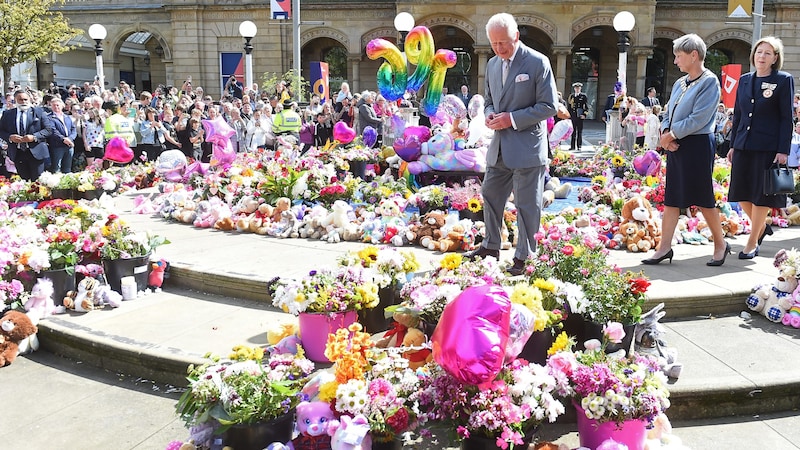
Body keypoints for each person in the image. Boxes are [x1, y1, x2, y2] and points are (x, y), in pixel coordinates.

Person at [465, 13, 558, 276]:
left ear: (516, 36)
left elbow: (549, 106)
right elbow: (489, 98)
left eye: (503, 42)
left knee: (527, 204)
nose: (499, 48)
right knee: (490, 194)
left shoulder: (538, 62)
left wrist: (512, 119)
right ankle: (491, 245)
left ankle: (525, 257)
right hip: (500, 146)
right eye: (494, 43)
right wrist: (491, 114)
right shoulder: (493, 64)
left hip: (528, 146)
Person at [642, 33, 728, 267]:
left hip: (698, 145)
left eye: (678, 56)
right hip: (676, 144)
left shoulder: (709, 81)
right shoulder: (681, 82)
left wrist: (672, 134)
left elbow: (699, 118)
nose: (675, 61)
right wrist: (666, 132)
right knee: (672, 198)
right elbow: (669, 110)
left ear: (694, 55)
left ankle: (720, 244)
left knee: (703, 198)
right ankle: (664, 248)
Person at [726, 36, 794, 259]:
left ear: (775, 58)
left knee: (761, 195)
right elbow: (739, 115)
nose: (761, 56)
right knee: (740, 192)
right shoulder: (745, 80)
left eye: (767, 53)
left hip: (768, 147)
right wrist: (733, 144)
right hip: (744, 145)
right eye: (758, 52)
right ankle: (762, 228)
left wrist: (783, 149)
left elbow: (786, 118)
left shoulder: (783, 80)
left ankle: (752, 242)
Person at [0, 89, 54, 180]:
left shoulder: (39, 112)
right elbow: (1, 131)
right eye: (20, 99)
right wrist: (10, 137)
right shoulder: (8, 114)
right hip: (18, 153)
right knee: (24, 182)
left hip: (36, 152)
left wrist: (34, 137)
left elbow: (48, 130)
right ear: (15, 100)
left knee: (38, 182)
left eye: (26, 99)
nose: (23, 102)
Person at [47, 97, 77, 173]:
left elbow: (73, 129)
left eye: (57, 105)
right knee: (56, 167)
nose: (56, 107)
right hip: (57, 146)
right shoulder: (49, 117)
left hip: (69, 145)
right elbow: (53, 131)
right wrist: (64, 139)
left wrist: (70, 138)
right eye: (53, 105)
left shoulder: (67, 117)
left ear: (62, 105)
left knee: (67, 167)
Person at [567, 82, 588, 150]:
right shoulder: (572, 96)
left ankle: (579, 146)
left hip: (579, 116)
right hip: (573, 116)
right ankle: (572, 146)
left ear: (580, 88)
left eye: (578, 88)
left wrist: (584, 114)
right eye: (576, 88)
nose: (577, 89)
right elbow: (569, 107)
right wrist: (568, 116)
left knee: (579, 131)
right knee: (573, 132)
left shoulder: (583, 96)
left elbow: (586, 107)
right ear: (574, 89)